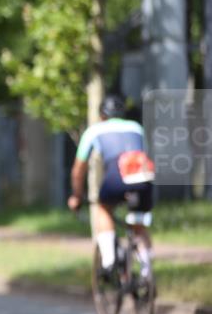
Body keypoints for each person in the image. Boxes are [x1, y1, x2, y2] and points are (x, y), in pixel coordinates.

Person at [67, 94, 156, 281]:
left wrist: (76, 195)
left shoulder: (94, 131)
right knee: (138, 224)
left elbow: (78, 170)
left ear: (101, 115)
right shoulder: (136, 127)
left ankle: (109, 261)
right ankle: (146, 271)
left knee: (104, 209)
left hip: (117, 175)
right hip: (142, 176)